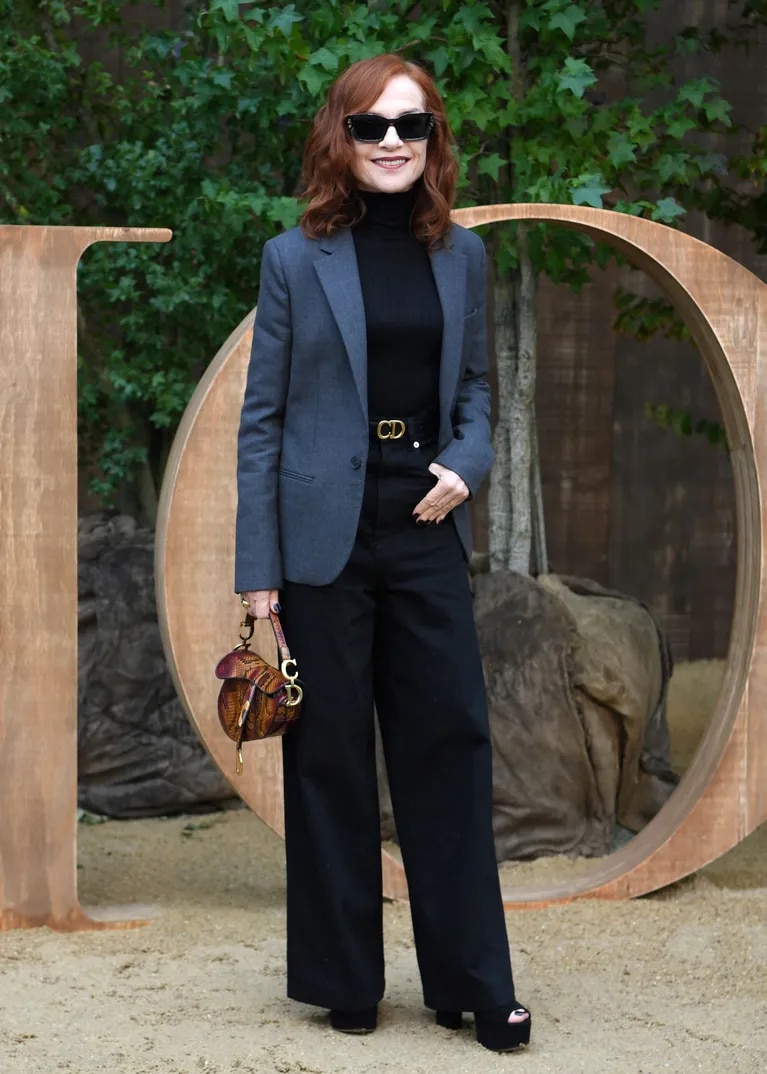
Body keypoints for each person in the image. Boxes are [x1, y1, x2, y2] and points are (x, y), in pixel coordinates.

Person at [234, 52, 531, 1053]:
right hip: (322, 539)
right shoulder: (291, 260)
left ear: (434, 140)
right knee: (327, 760)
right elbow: (262, 425)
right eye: (372, 126)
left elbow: (479, 395)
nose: (394, 142)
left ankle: (472, 984)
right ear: (342, 139)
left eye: (413, 126)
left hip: (423, 526)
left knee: (448, 743)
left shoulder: (465, 257)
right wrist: (257, 574)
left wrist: (468, 461)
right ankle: (342, 978)